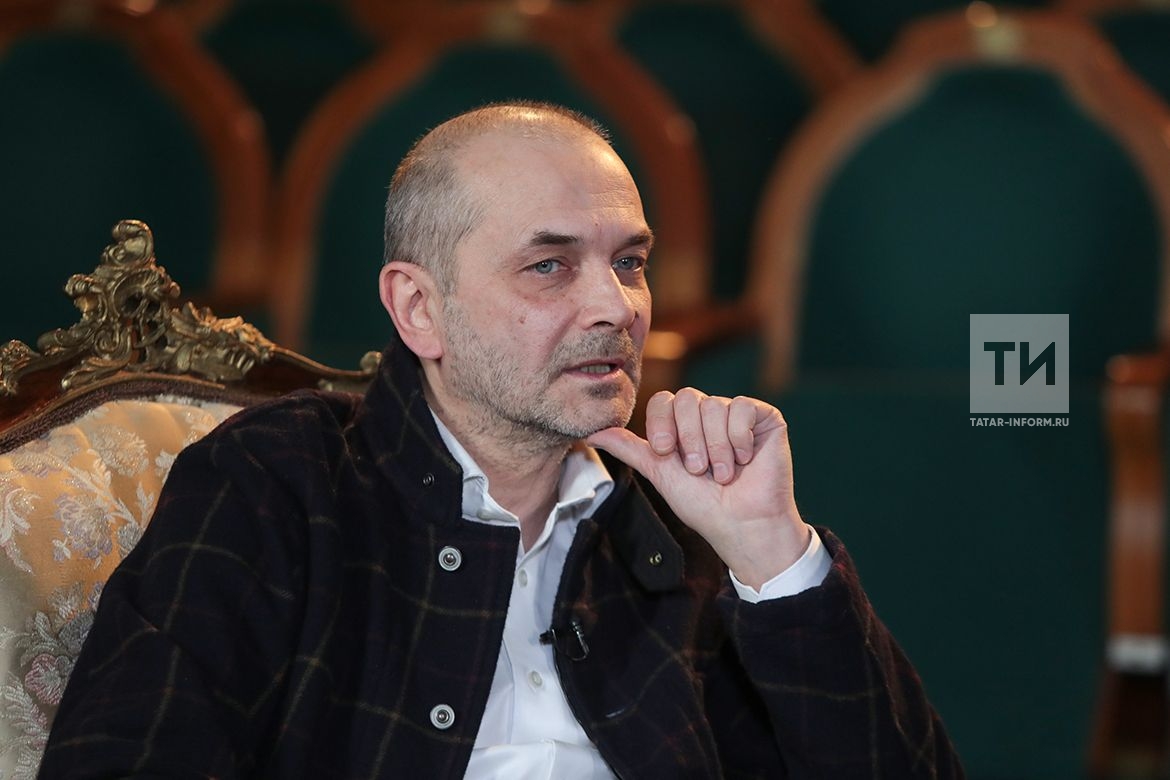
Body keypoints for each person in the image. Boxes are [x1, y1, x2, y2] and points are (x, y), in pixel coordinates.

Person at [39, 102, 962, 778]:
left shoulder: (680, 518)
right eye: (549, 265)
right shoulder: (275, 484)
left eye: (630, 262)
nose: (616, 308)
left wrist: (771, 555)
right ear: (419, 307)